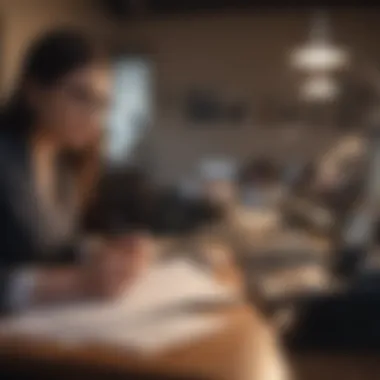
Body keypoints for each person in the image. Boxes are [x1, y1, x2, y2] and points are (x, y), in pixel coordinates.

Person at [0, 29, 151, 313]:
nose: (95, 116)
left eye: (103, 103)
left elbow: (53, 246)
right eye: (81, 96)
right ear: (33, 92)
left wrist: (103, 252)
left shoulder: (64, 166)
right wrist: (74, 284)